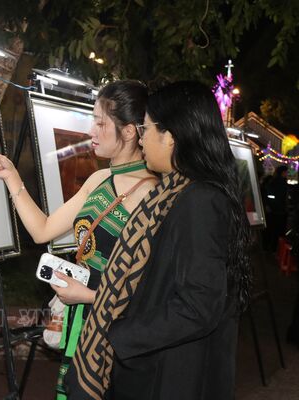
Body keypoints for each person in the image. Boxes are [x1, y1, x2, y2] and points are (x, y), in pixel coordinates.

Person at [66, 81, 252, 400]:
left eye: (147, 128)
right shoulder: (175, 192)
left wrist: (121, 334)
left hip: (170, 375)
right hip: (160, 366)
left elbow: (198, 306)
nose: (141, 138)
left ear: (171, 136)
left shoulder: (200, 200)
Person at [0, 80, 157, 400]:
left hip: (113, 330)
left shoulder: (151, 192)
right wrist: (12, 176)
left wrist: (88, 296)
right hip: (81, 319)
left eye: (101, 123)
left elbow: (150, 287)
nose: (92, 131)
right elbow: (43, 230)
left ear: (129, 131)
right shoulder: (100, 179)